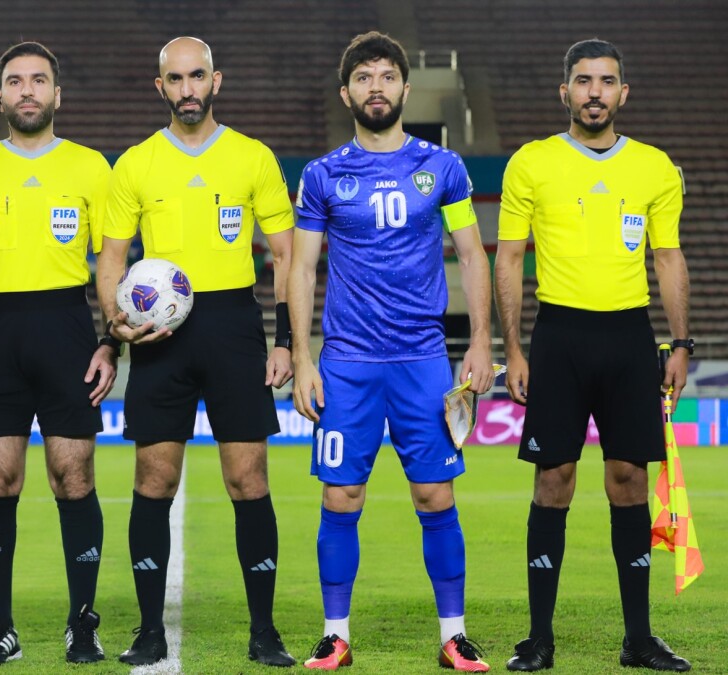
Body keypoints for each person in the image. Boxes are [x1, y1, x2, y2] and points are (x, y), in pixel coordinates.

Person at [289, 31, 494, 672]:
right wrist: (303, 358)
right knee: (340, 499)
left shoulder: (443, 167)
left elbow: (471, 254)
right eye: (363, 77)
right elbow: (301, 269)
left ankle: (454, 635)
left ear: (406, 87)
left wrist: (481, 340)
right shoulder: (322, 175)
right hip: (347, 364)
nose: (375, 87)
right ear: (345, 92)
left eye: (385, 76)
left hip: (422, 361)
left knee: (435, 496)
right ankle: (335, 635)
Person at [96, 36, 297, 668]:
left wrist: (286, 340)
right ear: (160, 87)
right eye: (176, 79)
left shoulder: (252, 157)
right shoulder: (135, 164)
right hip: (161, 335)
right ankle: (149, 631)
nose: (188, 89)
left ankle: (264, 631)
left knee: (248, 479)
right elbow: (111, 260)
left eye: (197, 76)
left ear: (216, 81)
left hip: (234, 324)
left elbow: (287, 255)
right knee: (154, 480)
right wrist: (115, 326)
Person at [496, 39, 692, 673]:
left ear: (623, 93)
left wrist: (681, 343)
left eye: (606, 81)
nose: (595, 93)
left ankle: (639, 639)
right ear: (565, 92)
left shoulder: (655, 168)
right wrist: (513, 348)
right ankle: (539, 639)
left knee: (629, 479)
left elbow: (668, 258)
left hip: (630, 338)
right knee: (553, 480)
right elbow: (509, 258)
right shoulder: (531, 162)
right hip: (559, 337)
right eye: (583, 81)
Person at [0, 41, 117, 667]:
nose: (27, 90)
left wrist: (110, 338)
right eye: (15, 81)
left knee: (75, 476)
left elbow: (111, 263)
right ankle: (0, 627)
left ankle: (82, 623)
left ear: (57, 94)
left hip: (68, 326)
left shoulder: (92, 168)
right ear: (0, 97)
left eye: (38, 80)